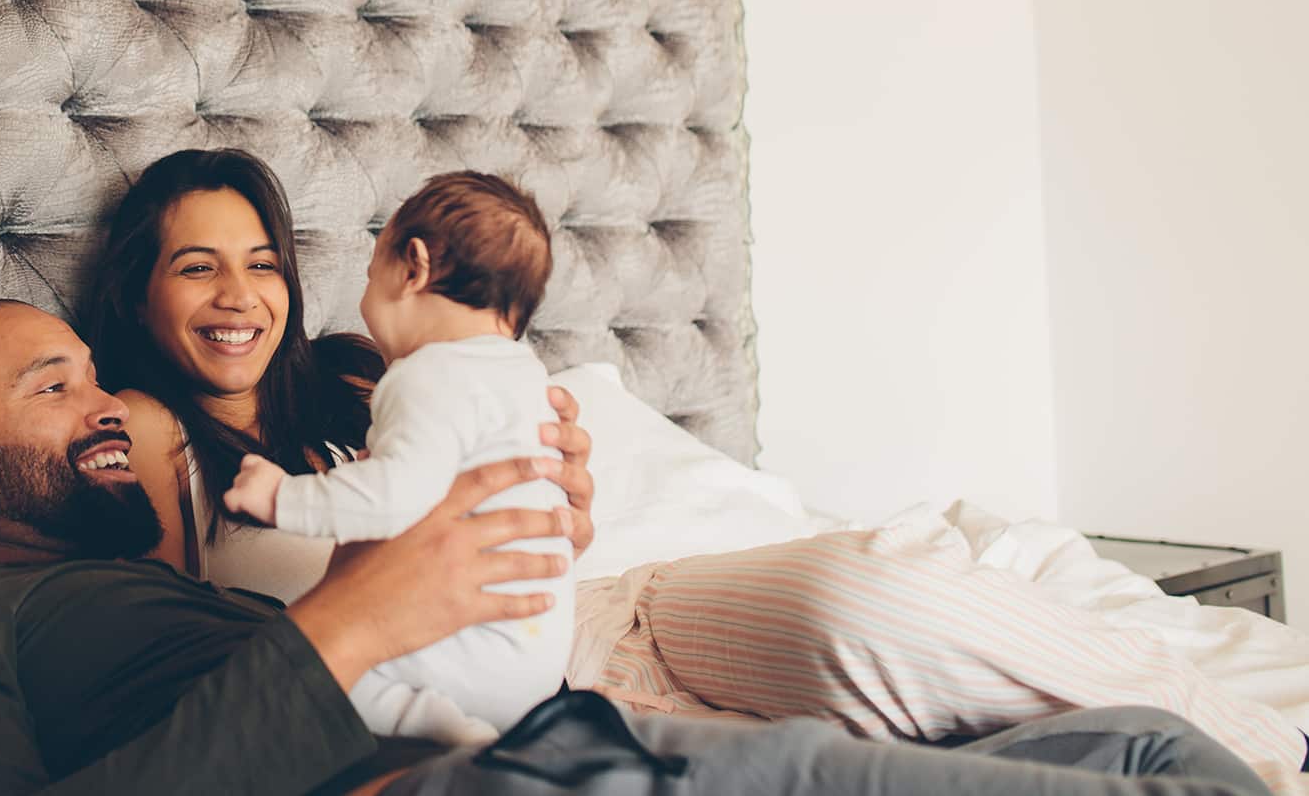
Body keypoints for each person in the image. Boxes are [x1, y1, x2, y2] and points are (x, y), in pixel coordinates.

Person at [83, 148, 1309, 790]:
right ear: (141, 289)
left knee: (878, 597)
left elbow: (534, 513)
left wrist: (560, 502)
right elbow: (163, 645)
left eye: (259, 260)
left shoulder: (369, 371)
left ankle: (1265, 751)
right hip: (513, 710)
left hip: (622, 603)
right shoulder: (149, 430)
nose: (240, 294)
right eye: (196, 266)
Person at [0, 299, 1268, 795]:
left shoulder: (151, 590)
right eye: (54, 387)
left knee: (1137, 740)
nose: (105, 402)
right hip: (515, 778)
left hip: (551, 725)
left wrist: (507, 515)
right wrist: (352, 624)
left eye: (99, 377)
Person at [223, 172, 572, 745]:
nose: (364, 303)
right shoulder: (526, 377)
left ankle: (451, 739)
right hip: (537, 652)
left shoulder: (427, 373)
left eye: (369, 276)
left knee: (333, 682)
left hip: (470, 647)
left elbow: (390, 502)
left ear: (413, 268)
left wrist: (283, 496)